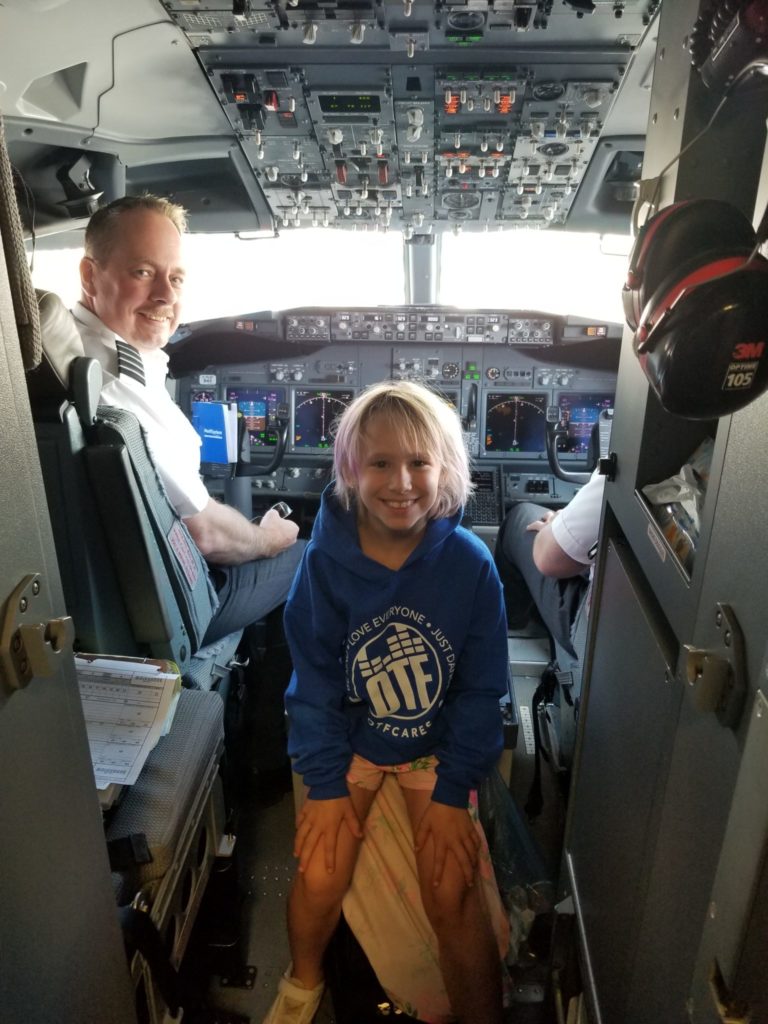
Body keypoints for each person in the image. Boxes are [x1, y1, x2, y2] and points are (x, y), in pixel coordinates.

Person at [262, 381, 509, 1024]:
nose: (402, 482)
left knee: (450, 886)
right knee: (321, 872)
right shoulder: (322, 564)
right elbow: (312, 686)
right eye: (380, 463)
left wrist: (455, 791)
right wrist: (325, 785)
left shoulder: (472, 564)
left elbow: (482, 690)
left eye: (419, 463)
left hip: (433, 746)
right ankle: (304, 984)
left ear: (445, 469)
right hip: (354, 741)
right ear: (349, 468)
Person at [73, 194, 306, 795]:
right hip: (164, 608)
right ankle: (265, 760)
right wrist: (270, 535)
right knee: (303, 558)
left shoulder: (67, 360)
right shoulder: (112, 386)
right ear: (89, 275)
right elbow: (206, 533)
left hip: (107, 594)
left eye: (175, 277)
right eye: (142, 272)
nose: (165, 296)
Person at [494, 469, 605, 657]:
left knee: (520, 515)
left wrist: (555, 525)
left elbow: (548, 560)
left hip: (592, 623)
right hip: (625, 618)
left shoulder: (622, 467)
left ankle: (512, 620)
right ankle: (537, 615)